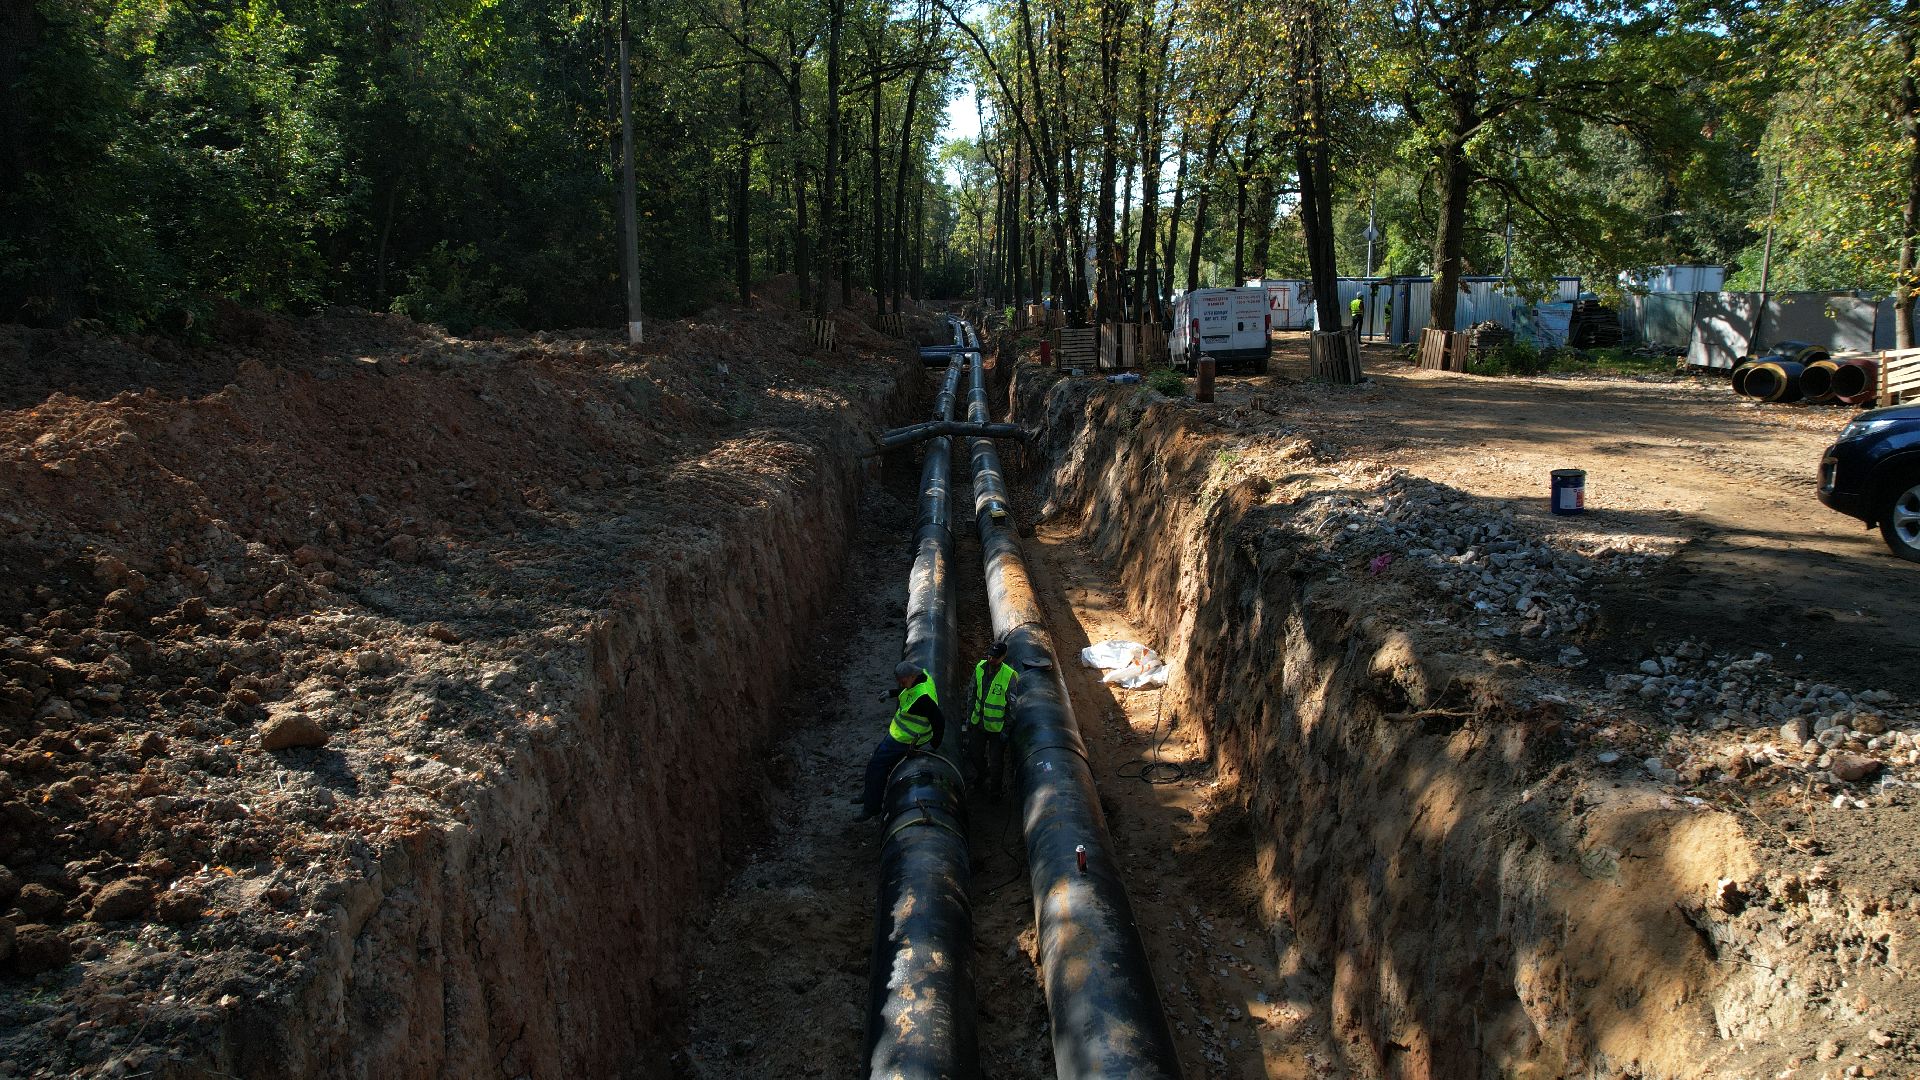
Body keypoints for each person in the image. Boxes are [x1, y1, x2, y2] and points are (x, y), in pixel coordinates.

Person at [857, 661, 945, 821]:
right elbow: (907, 692)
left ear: (912, 676)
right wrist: (892, 693)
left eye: (903, 682)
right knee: (875, 761)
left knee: (877, 765)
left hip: (906, 739)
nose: (901, 684)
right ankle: (869, 794)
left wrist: (933, 746)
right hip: (899, 734)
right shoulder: (922, 676)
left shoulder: (923, 698)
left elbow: (939, 721)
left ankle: (871, 808)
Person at [965, 642, 1020, 800]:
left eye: (995, 657)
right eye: (989, 655)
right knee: (975, 754)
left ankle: (995, 791)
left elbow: (1012, 705)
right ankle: (982, 776)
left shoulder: (1009, 676)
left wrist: (1006, 730)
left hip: (997, 728)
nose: (991, 659)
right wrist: (969, 718)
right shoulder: (980, 668)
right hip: (978, 723)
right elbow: (972, 693)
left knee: (996, 763)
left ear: (1003, 657)